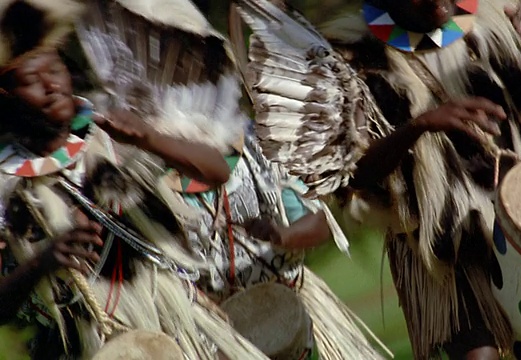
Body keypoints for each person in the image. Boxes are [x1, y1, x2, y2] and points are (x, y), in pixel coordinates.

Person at [230, 0, 521, 358]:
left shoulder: (499, 16)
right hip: (442, 246)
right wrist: (421, 125)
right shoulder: (354, 61)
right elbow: (353, 177)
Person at [75, 0, 389, 359]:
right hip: (206, 334)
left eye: (184, 64)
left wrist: (285, 235)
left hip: (283, 306)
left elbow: (320, 223)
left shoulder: (264, 147)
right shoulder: (132, 177)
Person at [0, 0, 269, 359]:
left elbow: (216, 171)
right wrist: (41, 263)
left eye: (55, 68)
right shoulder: (7, 188)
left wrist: (149, 138)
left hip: (181, 330)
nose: (52, 85)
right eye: (32, 80)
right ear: (6, 97)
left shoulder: (111, 133)